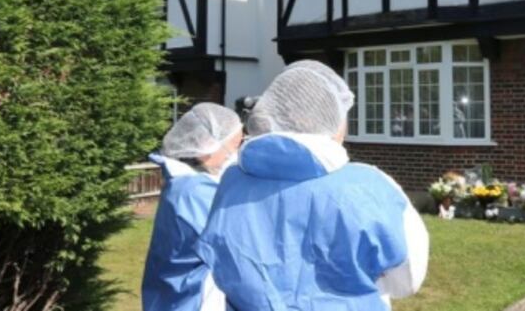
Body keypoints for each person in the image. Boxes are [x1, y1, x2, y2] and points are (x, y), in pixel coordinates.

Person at [196, 61, 429, 310]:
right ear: (331, 118)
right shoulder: (371, 185)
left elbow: (219, 260)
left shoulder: (231, 182)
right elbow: (406, 280)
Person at [142, 103, 243, 311]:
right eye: (234, 146)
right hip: (194, 300)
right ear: (207, 147)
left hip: (173, 297)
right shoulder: (195, 192)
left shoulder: (183, 184)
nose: (236, 154)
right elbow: (233, 247)